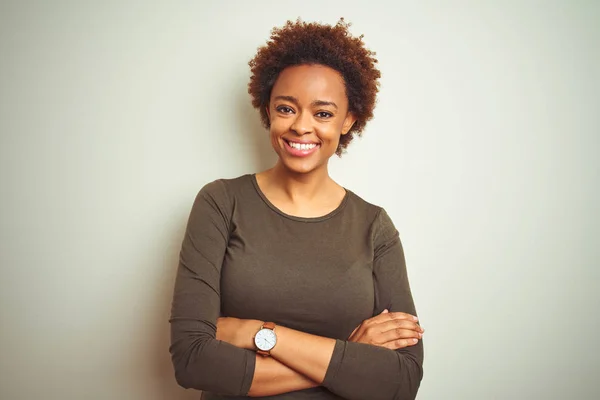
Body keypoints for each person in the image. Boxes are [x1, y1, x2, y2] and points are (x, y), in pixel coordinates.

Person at [169, 19, 424, 400]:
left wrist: (259, 334)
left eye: (322, 113)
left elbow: (402, 381)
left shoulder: (374, 226)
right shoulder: (222, 203)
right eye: (286, 108)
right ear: (268, 110)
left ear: (348, 119)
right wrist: (349, 359)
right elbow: (192, 360)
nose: (301, 127)